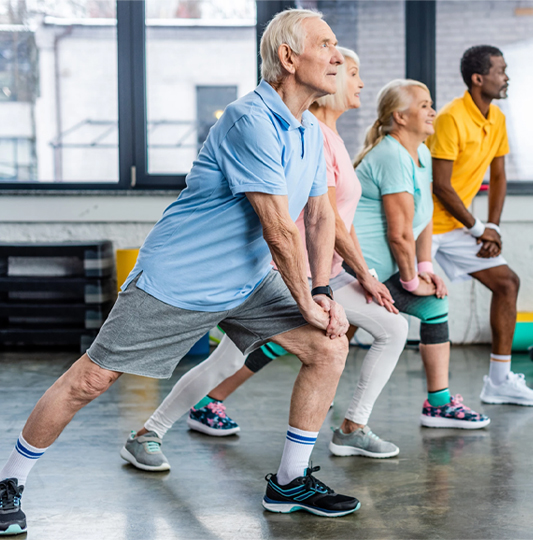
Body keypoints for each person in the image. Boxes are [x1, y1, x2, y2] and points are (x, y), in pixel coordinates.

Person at [0, 9, 361, 534]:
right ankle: (9, 482)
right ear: (289, 57)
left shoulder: (308, 131)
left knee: (327, 345)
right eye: (326, 45)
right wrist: (306, 299)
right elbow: (278, 227)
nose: (337, 55)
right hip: (180, 279)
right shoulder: (249, 119)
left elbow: (321, 213)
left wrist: (323, 288)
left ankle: (289, 482)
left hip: (249, 280)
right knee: (92, 380)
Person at [120, 46, 409, 466]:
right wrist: (359, 275)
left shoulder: (328, 136)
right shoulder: (313, 135)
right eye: (352, 72)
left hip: (321, 276)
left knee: (239, 360)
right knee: (386, 330)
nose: (359, 81)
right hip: (292, 275)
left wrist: (352, 273)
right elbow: (317, 219)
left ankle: (154, 430)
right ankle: (349, 429)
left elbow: (336, 219)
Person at [353, 79, 489, 429]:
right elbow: (398, 234)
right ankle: (210, 400)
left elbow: (423, 218)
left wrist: (425, 267)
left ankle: (439, 404)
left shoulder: (420, 153)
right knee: (298, 339)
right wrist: (411, 281)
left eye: (431, 104)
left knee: (434, 306)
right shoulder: (390, 155)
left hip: (383, 273)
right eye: (424, 105)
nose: (432, 111)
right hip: (358, 272)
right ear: (400, 117)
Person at [427, 45, 533, 407]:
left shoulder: (496, 119)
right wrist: (480, 229)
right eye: (500, 70)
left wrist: (493, 227)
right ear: (478, 79)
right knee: (367, 298)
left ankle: (499, 382)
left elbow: (498, 176)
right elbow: (441, 186)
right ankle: (326, 367)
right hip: (425, 225)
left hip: (457, 225)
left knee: (507, 282)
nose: (506, 77)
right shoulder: (451, 117)